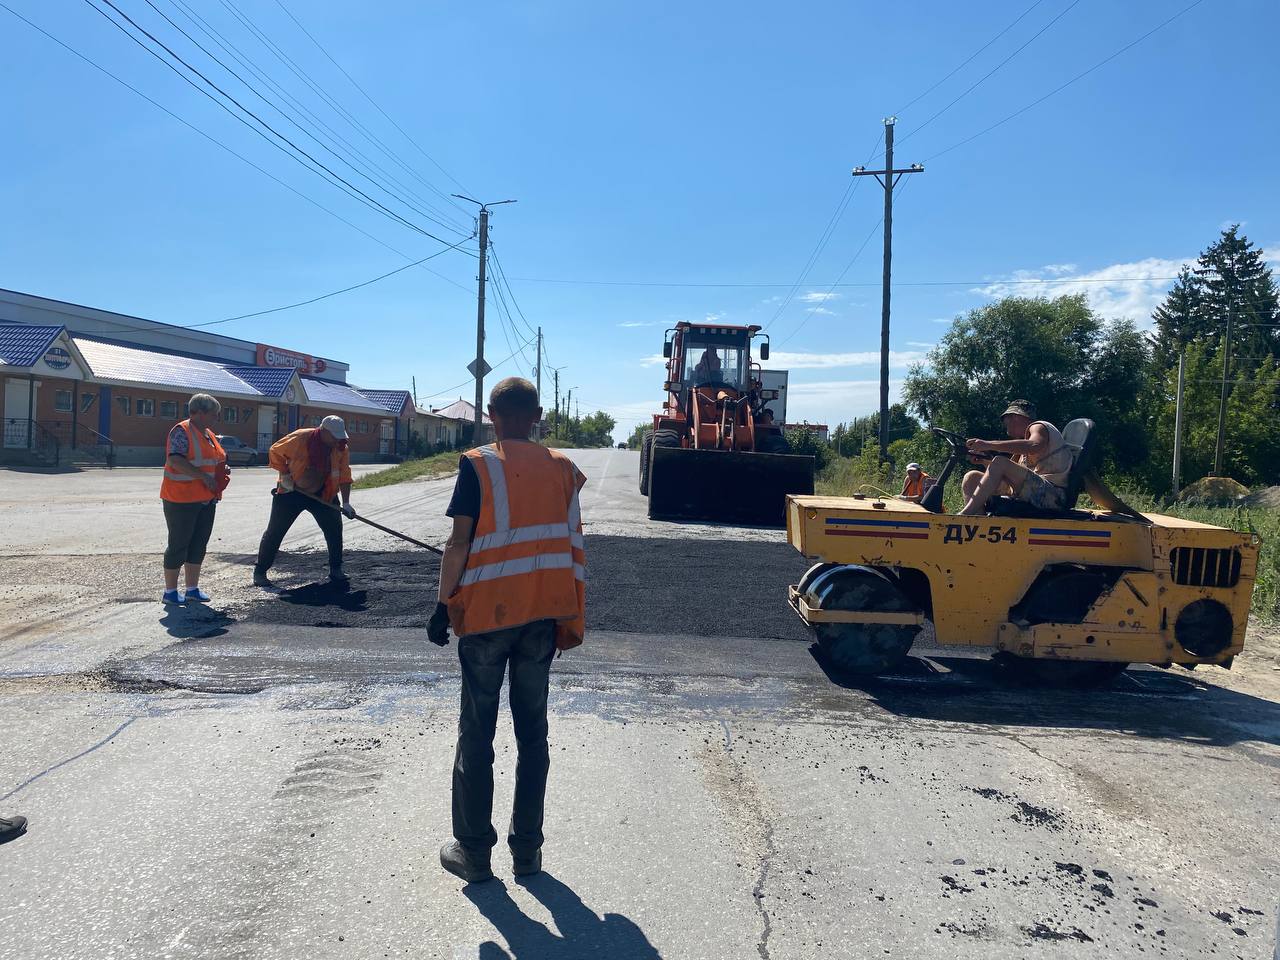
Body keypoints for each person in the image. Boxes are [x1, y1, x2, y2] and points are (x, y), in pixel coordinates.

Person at [428, 377, 587, 884]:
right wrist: (569, 613)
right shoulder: (563, 469)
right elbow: (572, 544)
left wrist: (441, 603)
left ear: (492, 414)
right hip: (541, 618)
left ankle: (473, 853)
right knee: (532, 733)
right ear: (537, 415)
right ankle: (528, 852)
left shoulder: (478, 463)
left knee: (477, 731)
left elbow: (458, 543)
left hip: (486, 619)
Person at [252, 415, 356, 587]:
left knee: (334, 529)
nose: (337, 440)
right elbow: (275, 451)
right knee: (275, 531)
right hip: (292, 492)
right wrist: (285, 474)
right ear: (323, 431)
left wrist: (346, 503)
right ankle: (260, 571)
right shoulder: (301, 438)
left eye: (340, 436)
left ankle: (336, 569)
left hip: (323, 493)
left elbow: (345, 475)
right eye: (334, 436)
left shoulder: (340, 446)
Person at [160, 393, 229, 604]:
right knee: (179, 544)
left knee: (199, 544)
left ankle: (192, 588)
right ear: (198, 412)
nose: (216, 419)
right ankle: (170, 592)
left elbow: (211, 460)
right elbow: (175, 460)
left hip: (206, 499)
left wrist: (220, 471)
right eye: (213, 415)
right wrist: (203, 476)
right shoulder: (182, 431)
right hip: (181, 499)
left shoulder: (208, 434)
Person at [958, 400, 1074, 516]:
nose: (1006, 425)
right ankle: (975, 522)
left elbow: (1035, 445)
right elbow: (1003, 474)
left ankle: (965, 515)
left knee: (1000, 462)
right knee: (971, 477)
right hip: (1034, 491)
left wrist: (988, 444)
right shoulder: (1022, 448)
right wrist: (984, 461)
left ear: (1016, 417)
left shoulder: (1038, 426)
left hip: (1053, 496)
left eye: (1007, 420)